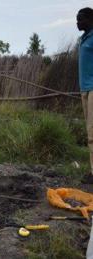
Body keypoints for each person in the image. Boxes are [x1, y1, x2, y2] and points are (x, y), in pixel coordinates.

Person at [77, 7, 93, 184]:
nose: (78, 23)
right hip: (85, 89)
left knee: (92, 131)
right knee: (90, 132)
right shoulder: (83, 39)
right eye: (76, 19)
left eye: (81, 19)